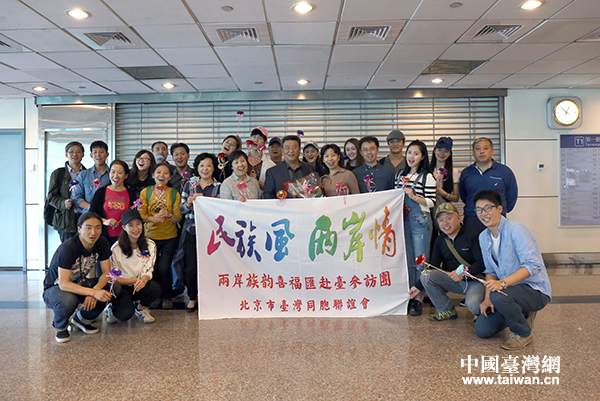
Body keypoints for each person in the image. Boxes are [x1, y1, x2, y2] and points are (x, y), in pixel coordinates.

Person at [473, 190, 551, 351]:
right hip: (508, 292)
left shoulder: (516, 230)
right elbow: (490, 270)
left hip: (534, 290)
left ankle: (523, 334)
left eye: (487, 208)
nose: (483, 213)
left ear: (499, 209)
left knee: (499, 296)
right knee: (482, 330)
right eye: (479, 209)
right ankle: (522, 313)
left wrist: (502, 284)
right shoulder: (483, 237)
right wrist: (487, 298)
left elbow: (532, 265)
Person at [42, 212, 115, 343]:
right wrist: (93, 292)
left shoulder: (102, 243)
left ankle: (82, 319)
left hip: (79, 283)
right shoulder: (68, 248)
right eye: (88, 227)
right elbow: (64, 284)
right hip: (55, 288)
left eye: (97, 227)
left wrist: (95, 290)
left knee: (113, 288)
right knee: (68, 300)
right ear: (79, 229)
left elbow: (107, 273)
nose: (93, 232)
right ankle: (60, 326)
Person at [409, 203, 485, 321]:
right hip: (454, 281)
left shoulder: (473, 235)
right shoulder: (440, 240)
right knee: (426, 275)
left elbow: (482, 263)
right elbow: (433, 265)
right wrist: (418, 286)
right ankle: (445, 310)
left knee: (473, 305)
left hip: (474, 282)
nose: (445, 223)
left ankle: (481, 313)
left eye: (449, 218)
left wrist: (463, 273)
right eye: (441, 220)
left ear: (458, 217)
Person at [175, 153, 221, 313]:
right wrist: (188, 203)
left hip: (211, 233)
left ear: (213, 168)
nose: (205, 168)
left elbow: (221, 209)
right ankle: (192, 297)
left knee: (212, 266)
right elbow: (181, 209)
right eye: (202, 165)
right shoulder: (190, 185)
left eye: (208, 165)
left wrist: (206, 200)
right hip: (192, 230)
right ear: (197, 168)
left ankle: (210, 297)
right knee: (191, 267)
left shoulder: (218, 186)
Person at [397, 140, 436, 316]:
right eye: (409, 152)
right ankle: (410, 295)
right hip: (402, 220)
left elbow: (431, 202)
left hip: (420, 220)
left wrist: (413, 196)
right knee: (407, 261)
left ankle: (419, 297)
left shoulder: (427, 177)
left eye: (416, 153)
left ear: (422, 157)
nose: (411, 156)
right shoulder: (400, 175)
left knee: (421, 261)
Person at [139, 163, 182, 309]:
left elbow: (178, 218)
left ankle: (167, 296)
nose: (161, 175)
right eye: (158, 172)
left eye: (165, 173)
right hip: (149, 236)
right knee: (153, 267)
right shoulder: (146, 192)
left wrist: (169, 215)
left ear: (170, 177)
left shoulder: (174, 193)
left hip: (169, 236)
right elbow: (141, 216)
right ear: (153, 175)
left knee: (164, 267)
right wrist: (153, 218)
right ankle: (155, 296)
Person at [108, 209, 161, 324]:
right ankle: (111, 307)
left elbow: (148, 269)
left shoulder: (150, 245)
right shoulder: (116, 248)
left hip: (139, 284)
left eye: (138, 224)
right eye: (130, 225)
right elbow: (114, 278)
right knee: (124, 315)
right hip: (123, 286)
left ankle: (141, 309)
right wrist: (134, 280)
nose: (135, 228)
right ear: (124, 227)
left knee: (155, 288)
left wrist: (144, 280)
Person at [459, 138, 518, 233]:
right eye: (478, 148)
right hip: (472, 218)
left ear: (492, 151)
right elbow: (464, 195)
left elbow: (511, 196)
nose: (482, 151)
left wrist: (499, 210)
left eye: (485, 148)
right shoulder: (466, 172)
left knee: (497, 242)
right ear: (473, 152)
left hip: (496, 217)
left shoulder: (505, 171)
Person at [89, 160, 136, 247]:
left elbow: (133, 216)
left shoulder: (131, 194)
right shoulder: (101, 192)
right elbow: (91, 215)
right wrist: (105, 221)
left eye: (120, 173)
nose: (115, 176)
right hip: (103, 236)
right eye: (113, 172)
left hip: (124, 237)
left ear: (126, 175)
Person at [47, 141, 86, 242]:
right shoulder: (58, 173)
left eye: (78, 152)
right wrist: (63, 203)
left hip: (84, 218)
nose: (75, 154)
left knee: (85, 248)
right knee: (68, 248)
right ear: (66, 155)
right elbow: (51, 197)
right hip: (65, 220)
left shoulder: (88, 173)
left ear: (83, 154)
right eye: (71, 152)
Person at [263, 135, 318, 199]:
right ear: (282, 150)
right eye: (287, 148)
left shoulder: (309, 168)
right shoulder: (272, 172)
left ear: (299, 149)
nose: (291, 151)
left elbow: (315, 193)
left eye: (294, 147)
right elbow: (268, 196)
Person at [72, 140, 110, 213]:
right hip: (88, 215)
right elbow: (77, 197)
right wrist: (92, 208)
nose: (98, 155)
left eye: (101, 152)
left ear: (107, 154)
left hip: (108, 214)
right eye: (95, 152)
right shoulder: (83, 175)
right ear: (91, 155)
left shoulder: (112, 175)